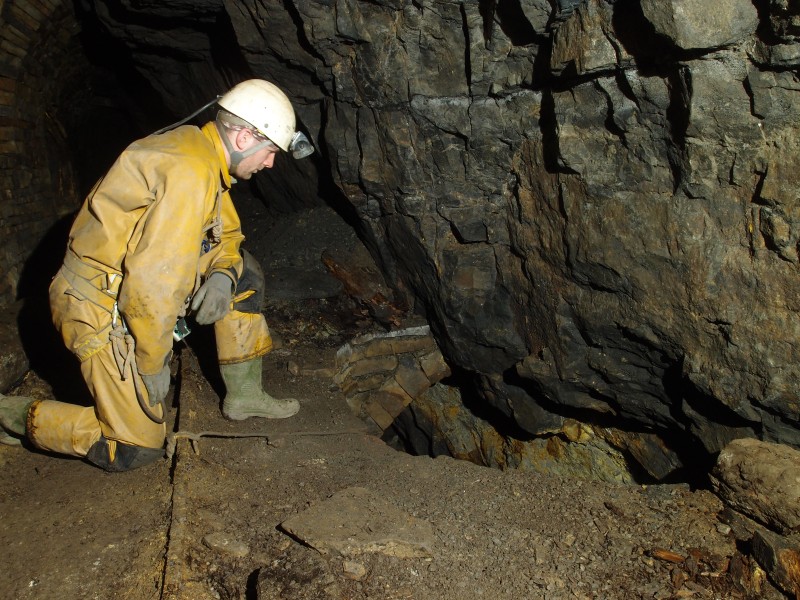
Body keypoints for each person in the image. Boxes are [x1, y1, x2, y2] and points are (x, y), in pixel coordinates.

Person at [0, 79, 314, 471]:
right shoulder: (188, 171)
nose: (270, 164)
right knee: (134, 447)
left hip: (129, 285)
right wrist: (153, 361)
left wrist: (222, 277)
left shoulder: (201, 151)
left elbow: (228, 234)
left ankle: (245, 395)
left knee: (243, 270)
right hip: (97, 305)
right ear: (243, 136)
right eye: (269, 152)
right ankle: (12, 415)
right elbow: (152, 288)